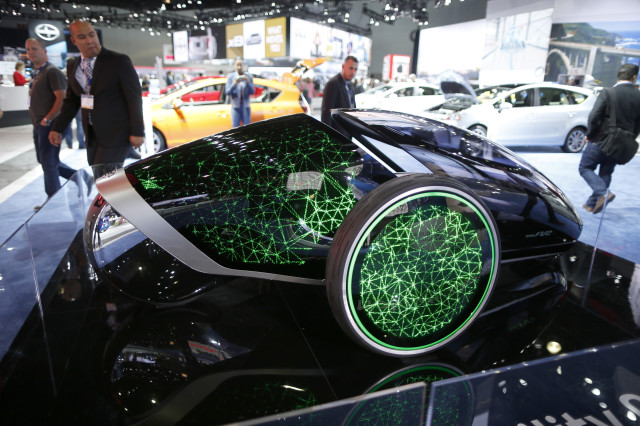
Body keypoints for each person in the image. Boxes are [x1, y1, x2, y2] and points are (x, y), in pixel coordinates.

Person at [49, 19, 144, 177]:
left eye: (92, 35)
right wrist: (58, 127)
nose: (89, 40)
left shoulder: (119, 61)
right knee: (102, 178)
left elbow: (134, 98)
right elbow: (72, 101)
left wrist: (138, 131)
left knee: (105, 180)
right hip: (92, 134)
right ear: (73, 40)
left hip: (117, 133)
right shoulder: (73, 65)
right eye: (82, 37)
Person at [579, 63, 640, 214]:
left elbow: (594, 116)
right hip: (621, 144)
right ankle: (592, 204)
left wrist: (589, 134)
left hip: (600, 139)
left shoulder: (608, 92)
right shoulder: (639, 96)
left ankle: (603, 194)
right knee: (606, 173)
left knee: (585, 167)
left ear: (618, 76)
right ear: (634, 77)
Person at [25, 38, 78, 203]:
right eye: (28, 50)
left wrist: (48, 119)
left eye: (34, 49)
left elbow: (61, 98)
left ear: (44, 51)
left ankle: (53, 200)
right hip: (39, 124)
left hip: (49, 124)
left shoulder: (51, 71)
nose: (30, 52)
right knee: (46, 161)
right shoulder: (38, 72)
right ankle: (78, 177)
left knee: (48, 164)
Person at [321, 55, 358, 129]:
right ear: (343, 67)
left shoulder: (350, 85)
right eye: (351, 68)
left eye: (355, 69)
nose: (353, 72)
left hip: (347, 131)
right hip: (337, 132)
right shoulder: (333, 83)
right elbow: (326, 113)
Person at [225, 59, 255, 127]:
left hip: (246, 106)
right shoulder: (231, 77)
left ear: (243, 65)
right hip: (235, 107)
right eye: (237, 65)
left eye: (240, 65)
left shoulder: (248, 76)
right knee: (235, 128)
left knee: (246, 128)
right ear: (234, 66)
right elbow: (227, 92)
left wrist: (247, 82)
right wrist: (234, 84)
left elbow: (252, 91)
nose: (239, 67)